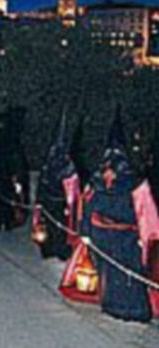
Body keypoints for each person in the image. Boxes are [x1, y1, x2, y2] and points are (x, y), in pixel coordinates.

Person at [59, 107, 159, 321]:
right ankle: (110, 304)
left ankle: (131, 311)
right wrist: (85, 232)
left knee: (128, 277)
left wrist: (148, 238)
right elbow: (87, 206)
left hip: (126, 239)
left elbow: (145, 212)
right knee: (107, 275)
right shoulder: (96, 184)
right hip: (102, 238)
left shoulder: (135, 184)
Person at [32, 108, 81, 260]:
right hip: (49, 202)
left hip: (61, 204)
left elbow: (72, 189)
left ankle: (61, 250)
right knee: (50, 229)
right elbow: (43, 184)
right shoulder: (49, 165)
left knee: (61, 230)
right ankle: (49, 249)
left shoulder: (68, 166)